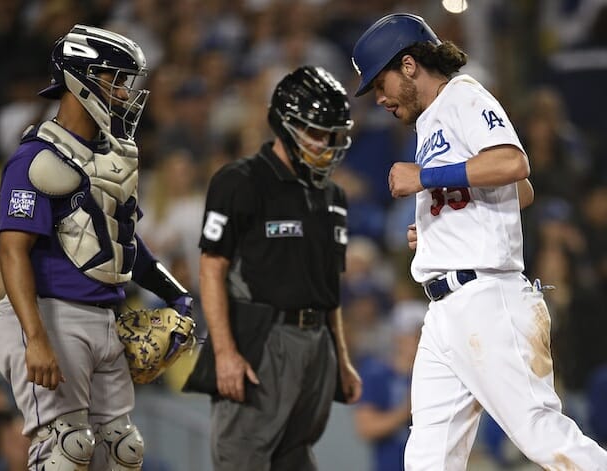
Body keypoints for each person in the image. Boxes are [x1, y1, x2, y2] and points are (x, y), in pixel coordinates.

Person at [351, 12, 607, 470]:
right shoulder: (431, 121)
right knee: (428, 457)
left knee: (541, 435)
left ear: (408, 65)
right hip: (446, 309)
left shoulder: (463, 96)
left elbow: (513, 166)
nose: (379, 98)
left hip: (487, 299)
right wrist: (442, 228)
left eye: (379, 83)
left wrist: (426, 178)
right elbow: (519, 194)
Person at [0, 24, 193, 471]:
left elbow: (123, 240)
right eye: (114, 79)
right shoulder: (36, 157)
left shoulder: (114, 156)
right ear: (79, 78)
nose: (124, 92)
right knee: (67, 450)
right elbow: (12, 251)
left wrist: (176, 294)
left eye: (125, 82)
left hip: (105, 315)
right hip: (49, 313)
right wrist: (35, 337)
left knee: (122, 451)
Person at [198, 65, 362, 471]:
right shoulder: (240, 181)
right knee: (242, 457)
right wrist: (225, 353)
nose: (324, 144)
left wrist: (341, 358)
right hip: (261, 337)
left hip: (317, 343)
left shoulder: (333, 195)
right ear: (285, 125)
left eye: (331, 135)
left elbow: (329, 287)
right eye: (315, 132)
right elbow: (211, 268)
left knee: (297, 456)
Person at [353, 300, 425, 471]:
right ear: (397, 337)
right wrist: (405, 411)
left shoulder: (436, 376)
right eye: (413, 335)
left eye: (421, 335)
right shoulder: (377, 373)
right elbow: (366, 427)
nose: (418, 341)